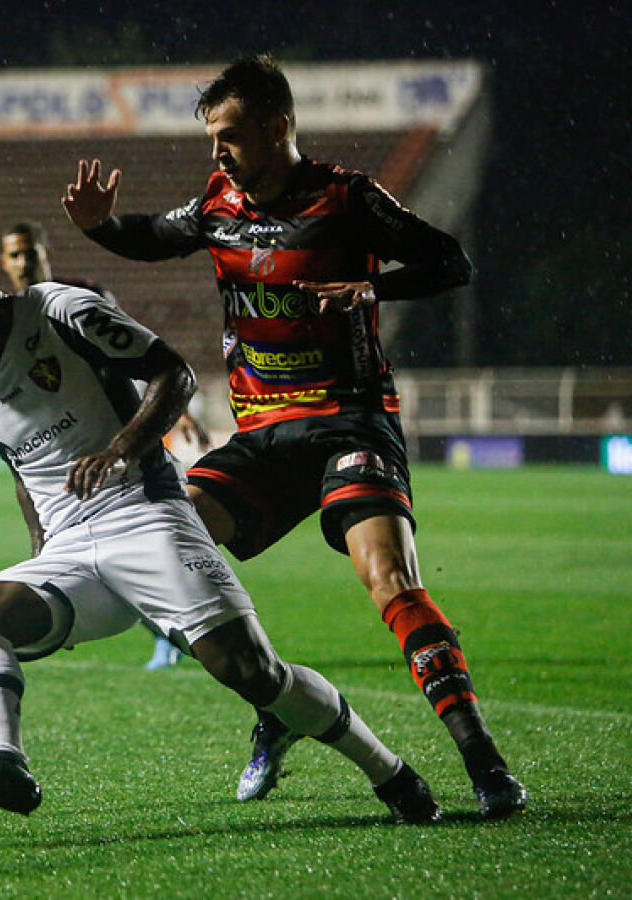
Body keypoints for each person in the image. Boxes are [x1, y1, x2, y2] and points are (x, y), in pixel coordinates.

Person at [61, 53, 526, 820]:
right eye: (213, 137)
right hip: (262, 436)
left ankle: (484, 761)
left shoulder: (348, 198)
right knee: (167, 546)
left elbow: (452, 261)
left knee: (391, 583)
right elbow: (152, 236)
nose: (218, 152)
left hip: (350, 419)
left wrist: (371, 285)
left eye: (231, 136)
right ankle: (279, 702)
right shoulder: (218, 202)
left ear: (278, 128)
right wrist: (101, 227)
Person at [0, 228, 441, 823]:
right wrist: (40, 553)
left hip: (146, 514)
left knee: (253, 673)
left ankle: (390, 773)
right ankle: (5, 764)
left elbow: (173, 374)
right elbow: (23, 473)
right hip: (71, 550)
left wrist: (124, 450)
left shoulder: (59, 309)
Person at [0, 220, 211, 670]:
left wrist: (180, 410)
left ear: (46, 252)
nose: (24, 262)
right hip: (59, 463)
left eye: (30, 252)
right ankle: (168, 630)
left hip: (118, 450)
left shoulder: (81, 296)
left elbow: (139, 353)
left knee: (144, 543)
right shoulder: (5, 320)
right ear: (3, 263)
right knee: (95, 557)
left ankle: (195, 626)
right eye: (14, 255)